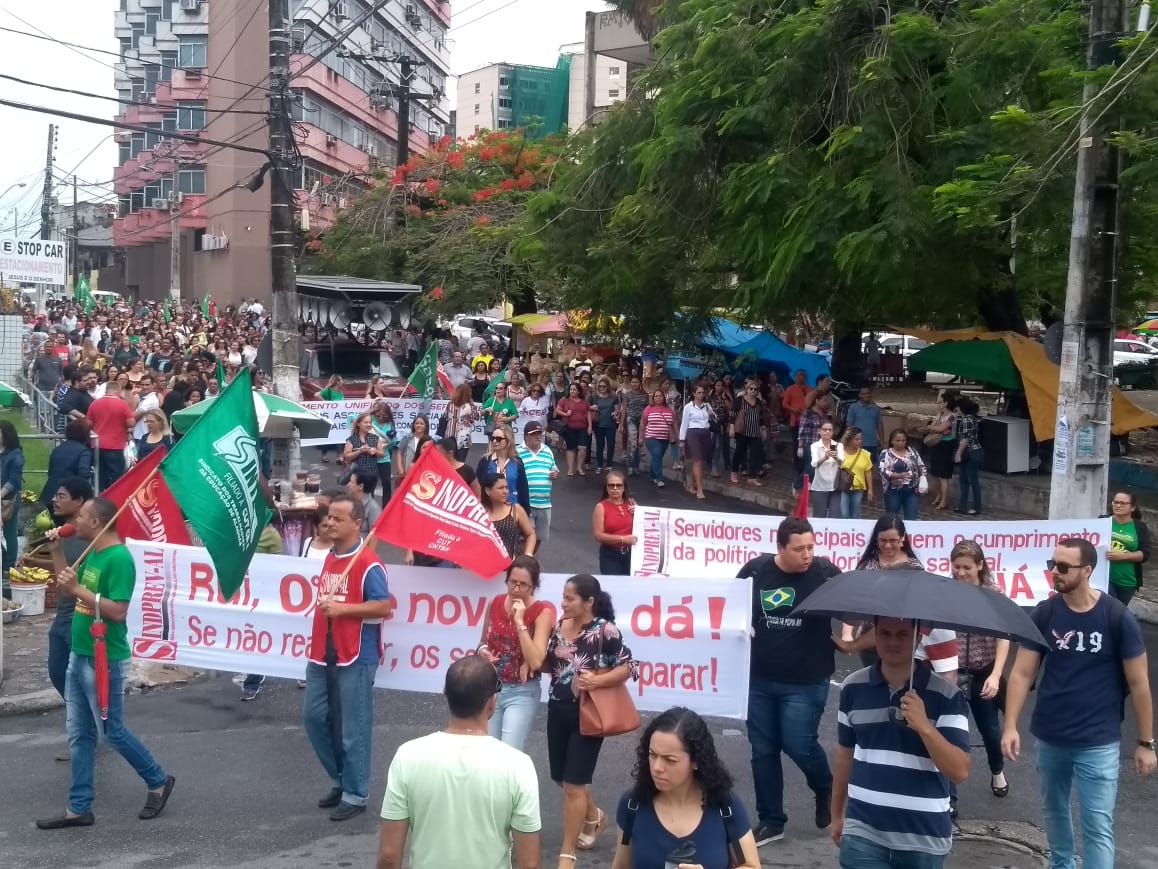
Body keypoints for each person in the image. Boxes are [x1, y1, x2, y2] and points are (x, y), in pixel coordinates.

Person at [1002, 538, 1156, 869]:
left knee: (1097, 825)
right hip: (1049, 737)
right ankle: (1062, 865)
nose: (1053, 572)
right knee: (1054, 812)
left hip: (1097, 742)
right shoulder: (1045, 613)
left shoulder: (1117, 617)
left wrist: (1146, 742)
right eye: (1051, 564)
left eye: (1062, 567)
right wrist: (1010, 725)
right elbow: (1022, 673)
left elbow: (1139, 683)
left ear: (1086, 571)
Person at [36, 496, 176, 829]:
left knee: (111, 731)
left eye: (82, 516)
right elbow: (69, 591)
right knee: (79, 735)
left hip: (105, 660)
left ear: (97, 523)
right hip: (80, 654)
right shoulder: (95, 554)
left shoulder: (118, 559)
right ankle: (79, 807)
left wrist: (79, 590)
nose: (77, 520)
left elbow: (116, 611)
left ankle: (158, 780)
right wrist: (57, 551)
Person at [831, 617, 971, 868]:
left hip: (923, 839)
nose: (892, 641)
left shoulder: (947, 695)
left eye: (902, 635)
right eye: (884, 633)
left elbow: (959, 771)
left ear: (918, 638)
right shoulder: (853, 688)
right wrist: (837, 814)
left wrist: (924, 726)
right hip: (863, 832)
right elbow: (845, 754)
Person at [377, 655, 541, 869]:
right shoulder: (519, 766)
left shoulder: (407, 756)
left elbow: (389, 856)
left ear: (445, 694)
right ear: (492, 703)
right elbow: (529, 864)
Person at [736, 517, 839, 846]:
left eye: (811, 547)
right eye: (799, 549)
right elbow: (731, 610)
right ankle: (771, 820)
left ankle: (825, 789)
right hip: (759, 680)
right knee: (763, 750)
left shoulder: (824, 573)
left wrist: (850, 636)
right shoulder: (756, 571)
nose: (807, 554)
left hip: (806, 682)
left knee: (800, 745)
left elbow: (853, 611)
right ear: (780, 548)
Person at [305, 494, 394, 821]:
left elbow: (383, 606)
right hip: (322, 653)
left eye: (337, 519)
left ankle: (355, 794)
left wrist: (343, 609)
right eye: (328, 517)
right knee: (314, 718)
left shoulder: (369, 563)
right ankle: (342, 779)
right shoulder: (330, 558)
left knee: (353, 728)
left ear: (357, 524)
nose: (328, 522)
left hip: (356, 654)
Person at [546, 574, 636, 867]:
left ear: (589, 602)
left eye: (570, 598)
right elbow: (551, 663)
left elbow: (629, 668)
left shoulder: (605, 631)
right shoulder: (559, 626)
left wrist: (598, 681)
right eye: (563, 597)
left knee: (574, 785)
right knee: (561, 778)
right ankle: (594, 815)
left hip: (588, 713)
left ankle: (566, 854)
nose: (564, 603)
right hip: (557, 710)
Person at [611, 707, 760, 869]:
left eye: (670, 760)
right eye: (652, 754)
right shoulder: (632, 804)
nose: (657, 767)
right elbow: (621, 865)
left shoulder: (725, 805)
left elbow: (752, 865)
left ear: (696, 761)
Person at [948, 541, 1010, 812]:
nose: (961, 572)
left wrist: (996, 676)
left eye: (967, 567)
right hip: (952, 673)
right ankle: (949, 799)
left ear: (980, 566)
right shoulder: (945, 592)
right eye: (957, 566)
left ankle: (997, 770)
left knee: (991, 731)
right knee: (950, 735)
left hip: (983, 672)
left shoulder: (993, 594)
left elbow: (1004, 638)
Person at [23, 478, 93, 699]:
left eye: (61, 496)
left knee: (81, 677)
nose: (54, 500)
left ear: (80, 501)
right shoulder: (63, 533)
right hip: (62, 615)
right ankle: (81, 716)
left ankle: (90, 721)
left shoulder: (90, 540)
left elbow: (71, 578)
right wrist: (36, 561)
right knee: (57, 673)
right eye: (55, 496)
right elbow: (64, 568)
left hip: (80, 615)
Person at [477, 555, 555, 750]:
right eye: (512, 582)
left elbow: (536, 661)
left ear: (533, 586)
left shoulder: (541, 611)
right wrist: (483, 651)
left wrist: (520, 622)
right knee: (488, 750)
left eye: (523, 585)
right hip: (492, 688)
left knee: (509, 751)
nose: (516, 589)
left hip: (522, 691)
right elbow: (481, 643)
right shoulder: (494, 603)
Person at [517, 421, 559, 551]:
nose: (538, 437)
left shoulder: (547, 451)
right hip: (526, 503)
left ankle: (529, 559)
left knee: (539, 537)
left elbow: (554, 469)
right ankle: (522, 561)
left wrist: (555, 474)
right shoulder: (517, 452)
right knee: (527, 536)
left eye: (539, 433)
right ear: (525, 436)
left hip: (544, 503)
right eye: (533, 434)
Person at [86, 379, 135, 489]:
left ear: (106, 390)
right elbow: (131, 423)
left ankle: (99, 496)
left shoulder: (94, 403)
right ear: (118, 391)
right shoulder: (122, 404)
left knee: (99, 474)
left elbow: (88, 424)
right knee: (116, 475)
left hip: (97, 445)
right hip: (115, 446)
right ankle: (115, 500)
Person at [1106, 491, 1151, 606]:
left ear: (1132, 507)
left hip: (1127, 582)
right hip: (1105, 578)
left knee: (1117, 614)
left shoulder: (1139, 526)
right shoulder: (1103, 521)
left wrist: (1122, 556)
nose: (1118, 505)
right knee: (1109, 609)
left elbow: (1145, 554)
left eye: (1123, 503)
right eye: (1115, 502)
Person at [480, 471, 537, 559]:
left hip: (510, 565)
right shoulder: (478, 511)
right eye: (500, 488)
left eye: (506, 488)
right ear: (488, 490)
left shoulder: (515, 509)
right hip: (484, 564)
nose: (505, 491)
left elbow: (530, 534)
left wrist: (528, 554)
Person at [477, 424, 532, 514]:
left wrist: (526, 513)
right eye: (492, 438)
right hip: (490, 511)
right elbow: (478, 487)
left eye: (498, 439)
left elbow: (523, 490)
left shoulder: (517, 462)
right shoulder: (485, 461)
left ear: (508, 440)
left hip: (513, 511)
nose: (494, 441)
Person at [41, 419, 94, 511]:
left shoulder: (58, 449)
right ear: (85, 435)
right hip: (69, 497)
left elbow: (50, 472)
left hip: (49, 494)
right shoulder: (84, 451)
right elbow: (84, 474)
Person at [593, 469, 637, 575]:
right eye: (611, 485)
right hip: (610, 555)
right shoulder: (601, 507)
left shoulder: (631, 504)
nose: (615, 488)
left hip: (633, 554)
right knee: (614, 588)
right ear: (606, 488)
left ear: (624, 488)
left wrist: (639, 513)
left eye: (619, 485)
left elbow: (645, 527)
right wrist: (623, 539)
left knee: (633, 588)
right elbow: (598, 536)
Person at [879, 428, 926, 521]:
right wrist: (898, 475)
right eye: (898, 440)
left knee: (911, 518)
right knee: (892, 518)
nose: (901, 443)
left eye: (903, 440)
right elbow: (883, 471)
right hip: (893, 491)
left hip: (912, 491)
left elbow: (921, 466)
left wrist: (923, 477)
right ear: (892, 441)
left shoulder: (912, 451)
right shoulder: (886, 453)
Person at [1, 419, 25, 596]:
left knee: (10, 534)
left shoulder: (15, 454)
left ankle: (8, 566)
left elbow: (14, 480)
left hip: (8, 501)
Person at [922, 391, 958, 511]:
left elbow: (940, 428)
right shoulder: (940, 414)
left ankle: (944, 501)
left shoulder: (952, 416)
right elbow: (934, 427)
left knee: (943, 476)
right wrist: (936, 429)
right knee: (935, 474)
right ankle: (939, 495)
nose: (939, 404)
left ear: (946, 403)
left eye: (941, 402)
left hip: (946, 446)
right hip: (937, 445)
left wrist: (936, 428)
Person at [678, 384, 714, 500]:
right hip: (693, 433)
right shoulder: (689, 407)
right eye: (699, 392)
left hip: (705, 433)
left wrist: (712, 415)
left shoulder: (707, 406)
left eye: (703, 392)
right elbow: (684, 423)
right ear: (694, 393)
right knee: (697, 460)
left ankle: (692, 484)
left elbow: (714, 418)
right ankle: (700, 488)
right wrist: (682, 440)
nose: (701, 395)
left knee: (699, 462)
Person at [731, 381, 768, 487]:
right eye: (751, 388)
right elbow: (733, 415)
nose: (753, 391)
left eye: (755, 389)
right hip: (742, 431)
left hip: (755, 432)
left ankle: (752, 477)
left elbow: (761, 418)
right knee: (739, 452)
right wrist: (732, 428)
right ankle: (734, 472)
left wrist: (763, 429)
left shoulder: (759, 402)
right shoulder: (740, 400)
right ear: (746, 389)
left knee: (755, 454)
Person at [639, 389, 676, 488]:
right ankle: (659, 478)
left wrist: (677, 435)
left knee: (657, 457)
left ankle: (652, 475)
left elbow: (674, 424)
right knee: (657, 454)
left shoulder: (669, 410)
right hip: (651, 437)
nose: (658, 398)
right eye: (656, 396)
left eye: (660, 396)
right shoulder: (648, 409)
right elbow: (643, 424)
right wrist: (641, 438)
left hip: (665, 438)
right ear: (653, 398)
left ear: (664, 398)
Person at [954, 397, 984, 515]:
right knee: (965, 479)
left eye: (957, 407)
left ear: (961, 408)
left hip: (971, 452)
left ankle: (976, 507)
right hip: (972, 452)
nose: (956, 409)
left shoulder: (966, 420)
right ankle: (963, 506)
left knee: (971, 480)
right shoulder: (972, 418)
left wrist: (958, 453)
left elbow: (965, 439)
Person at [556, 383, 593, 477]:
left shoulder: (584, 401)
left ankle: (579, 467)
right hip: (569, 427)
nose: (572, 391)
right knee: (571, 448)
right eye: (571, 389)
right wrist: (565, 414)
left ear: (578, 391)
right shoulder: (565, 400)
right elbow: (558, 410)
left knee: (583, 448)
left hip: (582, 428)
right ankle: (570, 469)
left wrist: (590, 426)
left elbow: (588, 413)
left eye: (574, 389)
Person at [809, 420, 843, 518]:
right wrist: (825, 457)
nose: (827, 432)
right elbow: (814, 464)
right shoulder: (815, 446)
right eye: (824, 429)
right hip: (819, 486)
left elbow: (843, 464)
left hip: (835, 486)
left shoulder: (836, 445)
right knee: (819, 516)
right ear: (819, 431)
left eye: (830, 430)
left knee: (835, 515)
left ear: (833, 432)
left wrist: (836, 457)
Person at [344, 412, 384, 493]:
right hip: (357, 474)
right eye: (366, 422)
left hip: (371, 473)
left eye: (370, 422)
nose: (369, 424)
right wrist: (359, 451)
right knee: (355, 495)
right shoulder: (352, 439)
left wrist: (374, 451)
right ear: (359, 424)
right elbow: (346, 456)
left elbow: (382, 454)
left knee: (370, 495)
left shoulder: (375, 438)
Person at [839, 427, 874, 519]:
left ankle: (853, 532)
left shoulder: (865, 454)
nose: (860, 441)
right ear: (849, 440)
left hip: (858, 488)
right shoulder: (840, 452)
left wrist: (870, 489)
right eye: (857, 439)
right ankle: (844, 531)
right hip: (843, 487)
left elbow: (868, 471)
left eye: (860, 439)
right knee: (844, 513)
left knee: (855, 514)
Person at [844, 386, 884, 464]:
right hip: (857, 444)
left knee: (870, 466)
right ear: (859, 395)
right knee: (857, 466)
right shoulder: (853, 408)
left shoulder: (875, 409)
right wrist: (849, 441)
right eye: (863, 394)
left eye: (868, 393)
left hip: (872, 444)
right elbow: (849, 425)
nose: (866, 395)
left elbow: (879, 425)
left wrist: (882, 442)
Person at [589, 377, 620, 474]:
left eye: (604, 386)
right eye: (600, 386)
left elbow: (617, 409)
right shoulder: (594, 396)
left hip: (610, 424)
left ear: (608, 387)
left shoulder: (613, 397)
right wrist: (591, 407)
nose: (602, 388)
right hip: (598, 424)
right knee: (600, 445)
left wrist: (615, 413)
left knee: (611, 444)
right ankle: (599, 465)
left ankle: (609, 465)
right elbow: (586, 407)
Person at [370, 401, 398, 502]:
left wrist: (384, 444)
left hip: (384, 457)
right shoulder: (370, 422)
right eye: (379, 415)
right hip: (370, 458)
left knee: (386, 483)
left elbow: (393, 442)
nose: (381, 418)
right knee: (371, 483)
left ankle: (386, 508)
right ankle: (370, 507)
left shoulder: (390, 425)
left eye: (384, 416)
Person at [707, 378, 734, 479]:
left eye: (722, 386)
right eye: (718, 385)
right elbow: (708, 411)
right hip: (714, 425)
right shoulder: (710, 398)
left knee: (724, 445)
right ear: (714, 386)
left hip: (725, 425)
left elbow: (731, 408)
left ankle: (723, 465)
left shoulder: (725, 397)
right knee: (715, 445)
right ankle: (712, 465)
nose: (720, 387)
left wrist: (725, 398)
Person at [446, 383, 479, 462]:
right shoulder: (470, 406)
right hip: (464, 438)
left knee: (450, 462)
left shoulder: (450, 404)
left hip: (450, 436)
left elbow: (445, 417)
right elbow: (477, 417)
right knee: (460, 462)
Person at [317, 375, 345, 463]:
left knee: (340, 437)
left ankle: (339, 456)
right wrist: (326, 403)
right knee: (328, 437)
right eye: (341, 380)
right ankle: (324, 454)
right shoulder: (328, 391)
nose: (343, 382)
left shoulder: (340, 392)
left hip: (339, 418)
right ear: (337, 382)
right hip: (330, 417)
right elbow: (317, 395)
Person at [346, 469, 383, 535]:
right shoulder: (346, 500)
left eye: (351, 482)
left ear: (361, 486)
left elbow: (373, 536)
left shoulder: (373, 508)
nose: (348, 485)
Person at [397, 415, 431, 479]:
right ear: (413, 425)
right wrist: (400, 468)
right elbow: (399, 453)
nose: (419, 425)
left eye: (422, 424)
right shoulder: (407, 438)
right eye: (417, 423)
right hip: (407, 472)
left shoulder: (429, 440)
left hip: (423, 473)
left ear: (426, 426)